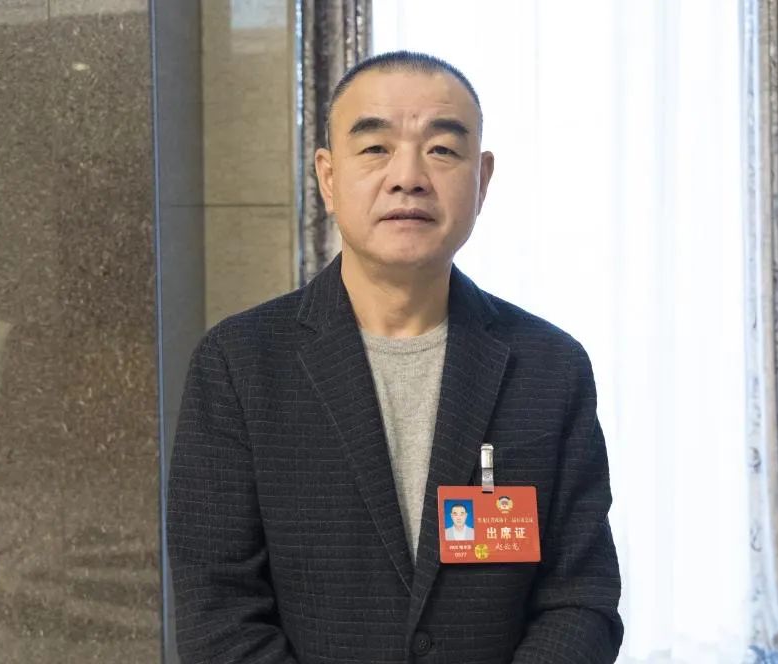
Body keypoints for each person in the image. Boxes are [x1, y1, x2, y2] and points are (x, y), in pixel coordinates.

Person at [168, 50, 623, 664]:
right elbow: (218, 612)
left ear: (482, 179)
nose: (408, 176)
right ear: (329, 177)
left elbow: (580, 598)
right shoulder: (239, 365)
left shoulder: (550, 366)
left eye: (442, 149)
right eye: (376, 148)